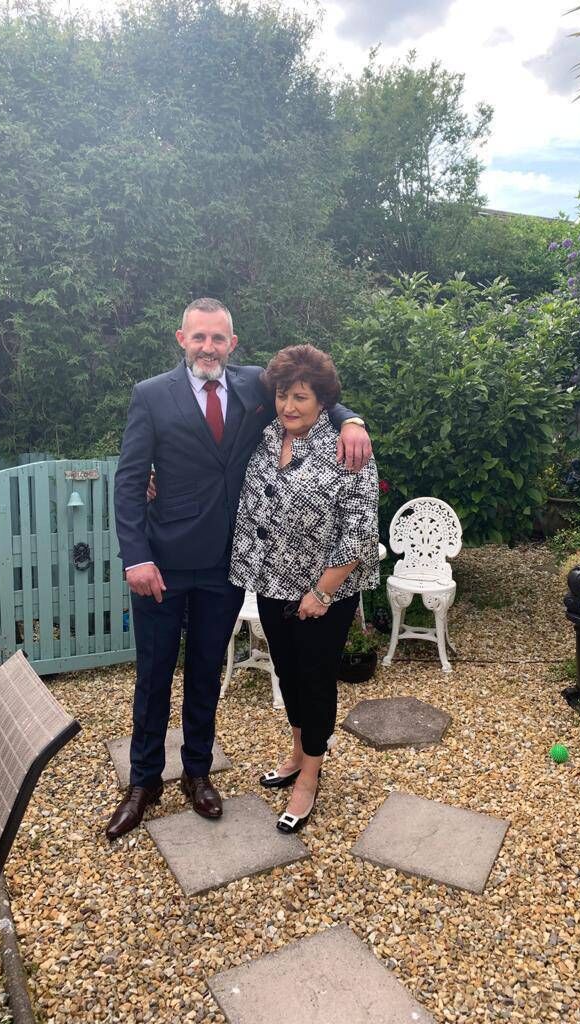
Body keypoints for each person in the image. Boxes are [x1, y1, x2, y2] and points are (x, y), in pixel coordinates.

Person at [106, 298, 372, 839]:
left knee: (206, 673)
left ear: (233, 343)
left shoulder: (256, 386)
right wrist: (136, 556)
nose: (208, 348)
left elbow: (314, 397)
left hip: (224, 566)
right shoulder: (151, 395)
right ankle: (144, 781)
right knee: (155, 674)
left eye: (218, 339)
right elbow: (130, 480)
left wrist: (352, 420)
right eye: (199, 338)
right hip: (163, 563)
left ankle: (199, 774)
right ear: (181, 338)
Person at [229, 344, 379, 833]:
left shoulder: (345, 446)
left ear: (322, 401)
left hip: (323, 590)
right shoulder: (267, 435)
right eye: (282, 396)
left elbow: (358, 531)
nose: (289, 407)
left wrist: (323, 592)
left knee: (315, 680)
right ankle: (297, 753)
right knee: (289, 674)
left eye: (300, 397)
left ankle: (310, 777)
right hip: (273, 583)